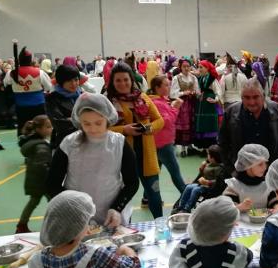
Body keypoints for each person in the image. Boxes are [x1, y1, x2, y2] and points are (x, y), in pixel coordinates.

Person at [48, 93, 139, 226]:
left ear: (107, 119)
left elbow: (132, 182)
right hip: (76, 216)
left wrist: (117, 208)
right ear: (79, 122)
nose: (93, 129)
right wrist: (73, 208)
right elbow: (52, 184)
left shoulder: (118, 143)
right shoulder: (69, 143)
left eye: (98, 123)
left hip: (112, 212)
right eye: (86, 124)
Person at [106, 63, 164, 218]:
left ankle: (159, 225)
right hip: (122, 158)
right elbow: (102, 129)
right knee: (125, 198)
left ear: (131, 80)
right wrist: (124, 130)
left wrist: (148, 128)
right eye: (118, 80)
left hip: (147, 156)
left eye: (126, 79)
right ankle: (125, 228)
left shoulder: (143, 97)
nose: (123, 83)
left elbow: (159, 120)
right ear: (112, 82)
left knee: (154, 194)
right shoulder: (108, 102)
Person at [218, 79, 278, 174]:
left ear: (263, 96)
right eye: (247, 97)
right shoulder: (231, 113)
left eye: (256, 97)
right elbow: (223, 143)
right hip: (241, 172)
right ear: (241, 97)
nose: (251, 102)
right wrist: (231, 169)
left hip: (272, 171)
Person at [5, 44, 53, 135]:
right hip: (38, 105)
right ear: (30, 60)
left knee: (23, 128)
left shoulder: (11, 73)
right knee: (40, 128)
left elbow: (6, 84)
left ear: (19, 60)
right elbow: (49, 87)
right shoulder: (40, 72)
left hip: (21, 106)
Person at [16, 115, 53, 234]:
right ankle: (56, 225)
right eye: (47, 127)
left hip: (34, 179)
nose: (51, 129)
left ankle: (21, 225)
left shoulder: (34, 142)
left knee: (33, 202)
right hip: (42, 181)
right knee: (55, 202)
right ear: (38, 130)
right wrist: (50, 179)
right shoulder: (41, 146)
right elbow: (42, 166)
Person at [150, 76, 186, 195]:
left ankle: (146, 197)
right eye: (166, 85)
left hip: (159, 142)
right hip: (163, 143)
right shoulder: (157, 103)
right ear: (157, 88)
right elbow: (167, 121)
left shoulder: (159, 100)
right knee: (175, 172)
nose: (168, 87)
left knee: (155, 171)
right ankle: (187, 196)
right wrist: (175, 108)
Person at [223, 143, 278, 212]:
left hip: (263, 222)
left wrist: (277, 208)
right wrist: (240, 207)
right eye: (260, 164)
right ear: (247, 165)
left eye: (265, 163)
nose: (265, 167)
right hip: (241, 222)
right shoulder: (234, 185)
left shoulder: (266, 183)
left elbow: (274, 201)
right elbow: (226, 208)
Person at [174, 144, 226, 213]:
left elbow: (219, 181)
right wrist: (201, 169)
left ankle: (187, 208)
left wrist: (208, 182)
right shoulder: (209, 164)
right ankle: (180, 206)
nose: (207, 157)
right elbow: (203, 175)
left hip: (211, 188)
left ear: (212, 158)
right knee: (189, 187)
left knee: (196, 190)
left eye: (208, 155)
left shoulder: (219, 168)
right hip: (202, 185)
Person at [45, 65, 81, 149]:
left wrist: (71, 119)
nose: (73, 84)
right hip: (65, 142)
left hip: (86, 140)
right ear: (61, 81)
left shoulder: (82, 94)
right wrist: (84, 121)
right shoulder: (52, 98)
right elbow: (59, 123)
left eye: (76, 80)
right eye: (69, 81)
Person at [170, 59, 199, 154]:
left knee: (191, 123)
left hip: (192, 103)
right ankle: (183, 148)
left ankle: (190, 146)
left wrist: (195, 92)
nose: (186, 68)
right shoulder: (177, 78)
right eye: (184, 66)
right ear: (180, 67)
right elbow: (173, 94)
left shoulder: (193, 77)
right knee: (183, 125)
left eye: (188, 66)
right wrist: (183, 92)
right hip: (182, 104)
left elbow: (197, 90)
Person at [194, 60, 223, 149]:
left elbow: (218, 91)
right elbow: (199, 90)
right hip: (202, 104)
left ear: (207, 68)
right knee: (202, 122)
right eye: (199, 67)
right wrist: (197, 94)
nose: (199, 69)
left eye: (201, 67)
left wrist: (215, 100)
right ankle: (203, 146)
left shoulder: (212, 79)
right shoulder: (201, 78)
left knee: (209, 123)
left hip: (209, 104)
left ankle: (210, 146)